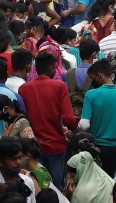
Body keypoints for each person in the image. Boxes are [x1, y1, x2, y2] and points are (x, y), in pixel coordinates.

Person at [18, 51, 77, 188]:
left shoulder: (24, 89)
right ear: (51, 68)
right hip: (55, 145)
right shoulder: (59, 86)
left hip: (33, 147)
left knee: (36, 186)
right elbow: (68, 118)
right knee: (56, 188)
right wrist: (77, 126)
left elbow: (24, 118)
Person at [80, 60, 116, 173]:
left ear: (99, 75)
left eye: (92, 77)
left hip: (99, 148)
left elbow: (84, 125)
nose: (91, 81)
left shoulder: (91, 95)